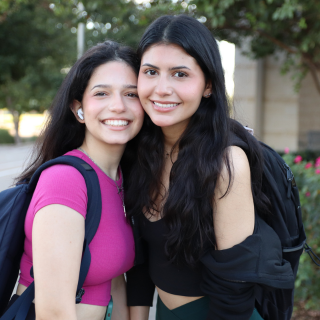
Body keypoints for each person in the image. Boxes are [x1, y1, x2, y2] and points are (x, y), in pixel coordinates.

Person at [125, 15, 293, 320]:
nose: (161, 89)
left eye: (180, 74)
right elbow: (144, 256)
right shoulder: (141, 151)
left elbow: (234, 289)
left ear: (208, 85)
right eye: (151, 72)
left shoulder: (225, 163)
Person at [7, 41, 144, 320]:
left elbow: (114, 278)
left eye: (131, 94)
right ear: (78, 108)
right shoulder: (65, 181)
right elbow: (54, 312)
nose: (118, 106)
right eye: (102, 93)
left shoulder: (123, 178)